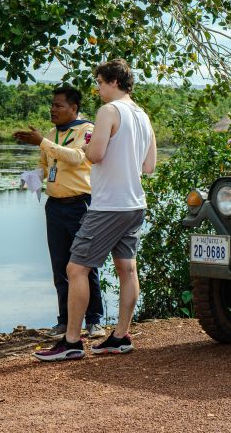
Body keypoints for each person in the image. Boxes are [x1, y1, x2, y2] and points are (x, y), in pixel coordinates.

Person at [34, 59, 156, 361]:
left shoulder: (109, 111)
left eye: (99, 83)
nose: (98, 89)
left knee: (76, 269)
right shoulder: (142, 115)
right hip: (134, 202)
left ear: (113, 81)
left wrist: (88, 148)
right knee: (127, 269)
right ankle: (119, 336)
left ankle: (72, 342)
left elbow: (96, 155)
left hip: (108, 204)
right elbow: (149, 166)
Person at [13, 86, 104, 339]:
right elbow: (45, 164)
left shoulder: (87, 131)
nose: (53, 109)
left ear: (73, 108)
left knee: (84, 265)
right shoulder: (53, 133)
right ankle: (64, 320)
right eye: (52, 105)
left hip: (80, 205)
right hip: (55, 206)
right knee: (60, 266)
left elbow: (76, 158)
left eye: (58, 105)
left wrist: (42, 141)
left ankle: (94, 320)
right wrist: (33, 176)